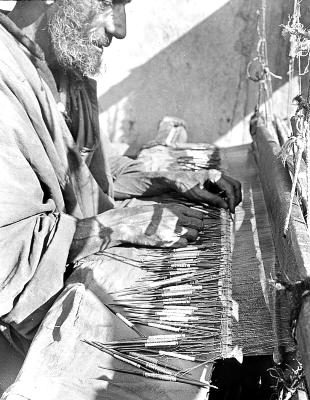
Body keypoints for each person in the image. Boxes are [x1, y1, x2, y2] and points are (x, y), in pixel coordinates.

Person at [0, 1, 241, 399]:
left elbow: (85, 168)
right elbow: (6, 253)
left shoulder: (67, 75)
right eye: (107, 2)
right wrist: (114, 226)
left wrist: (163, 180)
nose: (121, 28)